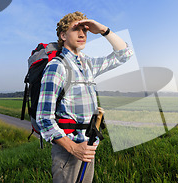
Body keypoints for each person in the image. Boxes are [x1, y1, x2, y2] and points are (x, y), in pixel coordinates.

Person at [35, 11, 133, 182]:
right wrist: (73, 148)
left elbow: (124, 54)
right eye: (76, 29)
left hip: (88, 147)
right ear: (63, 35)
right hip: (68, 151)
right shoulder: (56, 67)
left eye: (85, 30)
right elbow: (44, 118)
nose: (82, 34)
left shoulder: (88, 64)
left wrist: (103, 30)